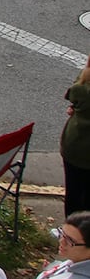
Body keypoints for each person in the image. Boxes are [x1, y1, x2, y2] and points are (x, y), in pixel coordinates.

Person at [65, 59, 90, 216]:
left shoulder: (82, 88)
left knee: (74, 193)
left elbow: (70, 94)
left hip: (77, 149)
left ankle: (70, 233)